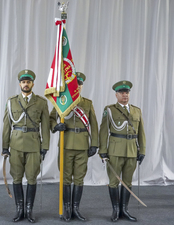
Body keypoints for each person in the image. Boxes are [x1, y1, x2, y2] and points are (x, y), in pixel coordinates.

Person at [2, 69, 50, 223]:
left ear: (32, 84)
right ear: (20, 84)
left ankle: (29, 210)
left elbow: (46, 126)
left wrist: (45, 147)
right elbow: (6, 125)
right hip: (15, 144)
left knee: (31, 178)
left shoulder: (41, 102)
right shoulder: (11, 102)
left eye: (28, 82)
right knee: (16, 178)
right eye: (23, 82)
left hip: (34, 145)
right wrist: (5, 147)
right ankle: (19, 209)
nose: (26, 84)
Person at [49, 72, 99, 221]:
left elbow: (94, 125)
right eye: (74, 84)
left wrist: (94, 144)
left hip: (82, 145)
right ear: (69, 85)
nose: (77, 86)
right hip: (66, 144)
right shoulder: (61, 101)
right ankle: (67, 209)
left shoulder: (87, 103)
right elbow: (51, 118)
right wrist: (56, 126)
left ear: (81, 86)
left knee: (79, 178)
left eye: (79, 84)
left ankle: (76, 208)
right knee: (65, 179)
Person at [98, 80, 146, 222]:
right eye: (122, 92)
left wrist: (142, 150)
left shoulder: (136, 110)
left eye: (127, 92)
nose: (125, 95)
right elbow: (103, 132)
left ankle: (124, 210)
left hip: (132, 151)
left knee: (127, 181)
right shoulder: (110, 110)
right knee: (113, 182)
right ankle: (115, 210)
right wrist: (103, 150)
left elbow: (141, 132)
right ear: (116, 94)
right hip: (114, 151)